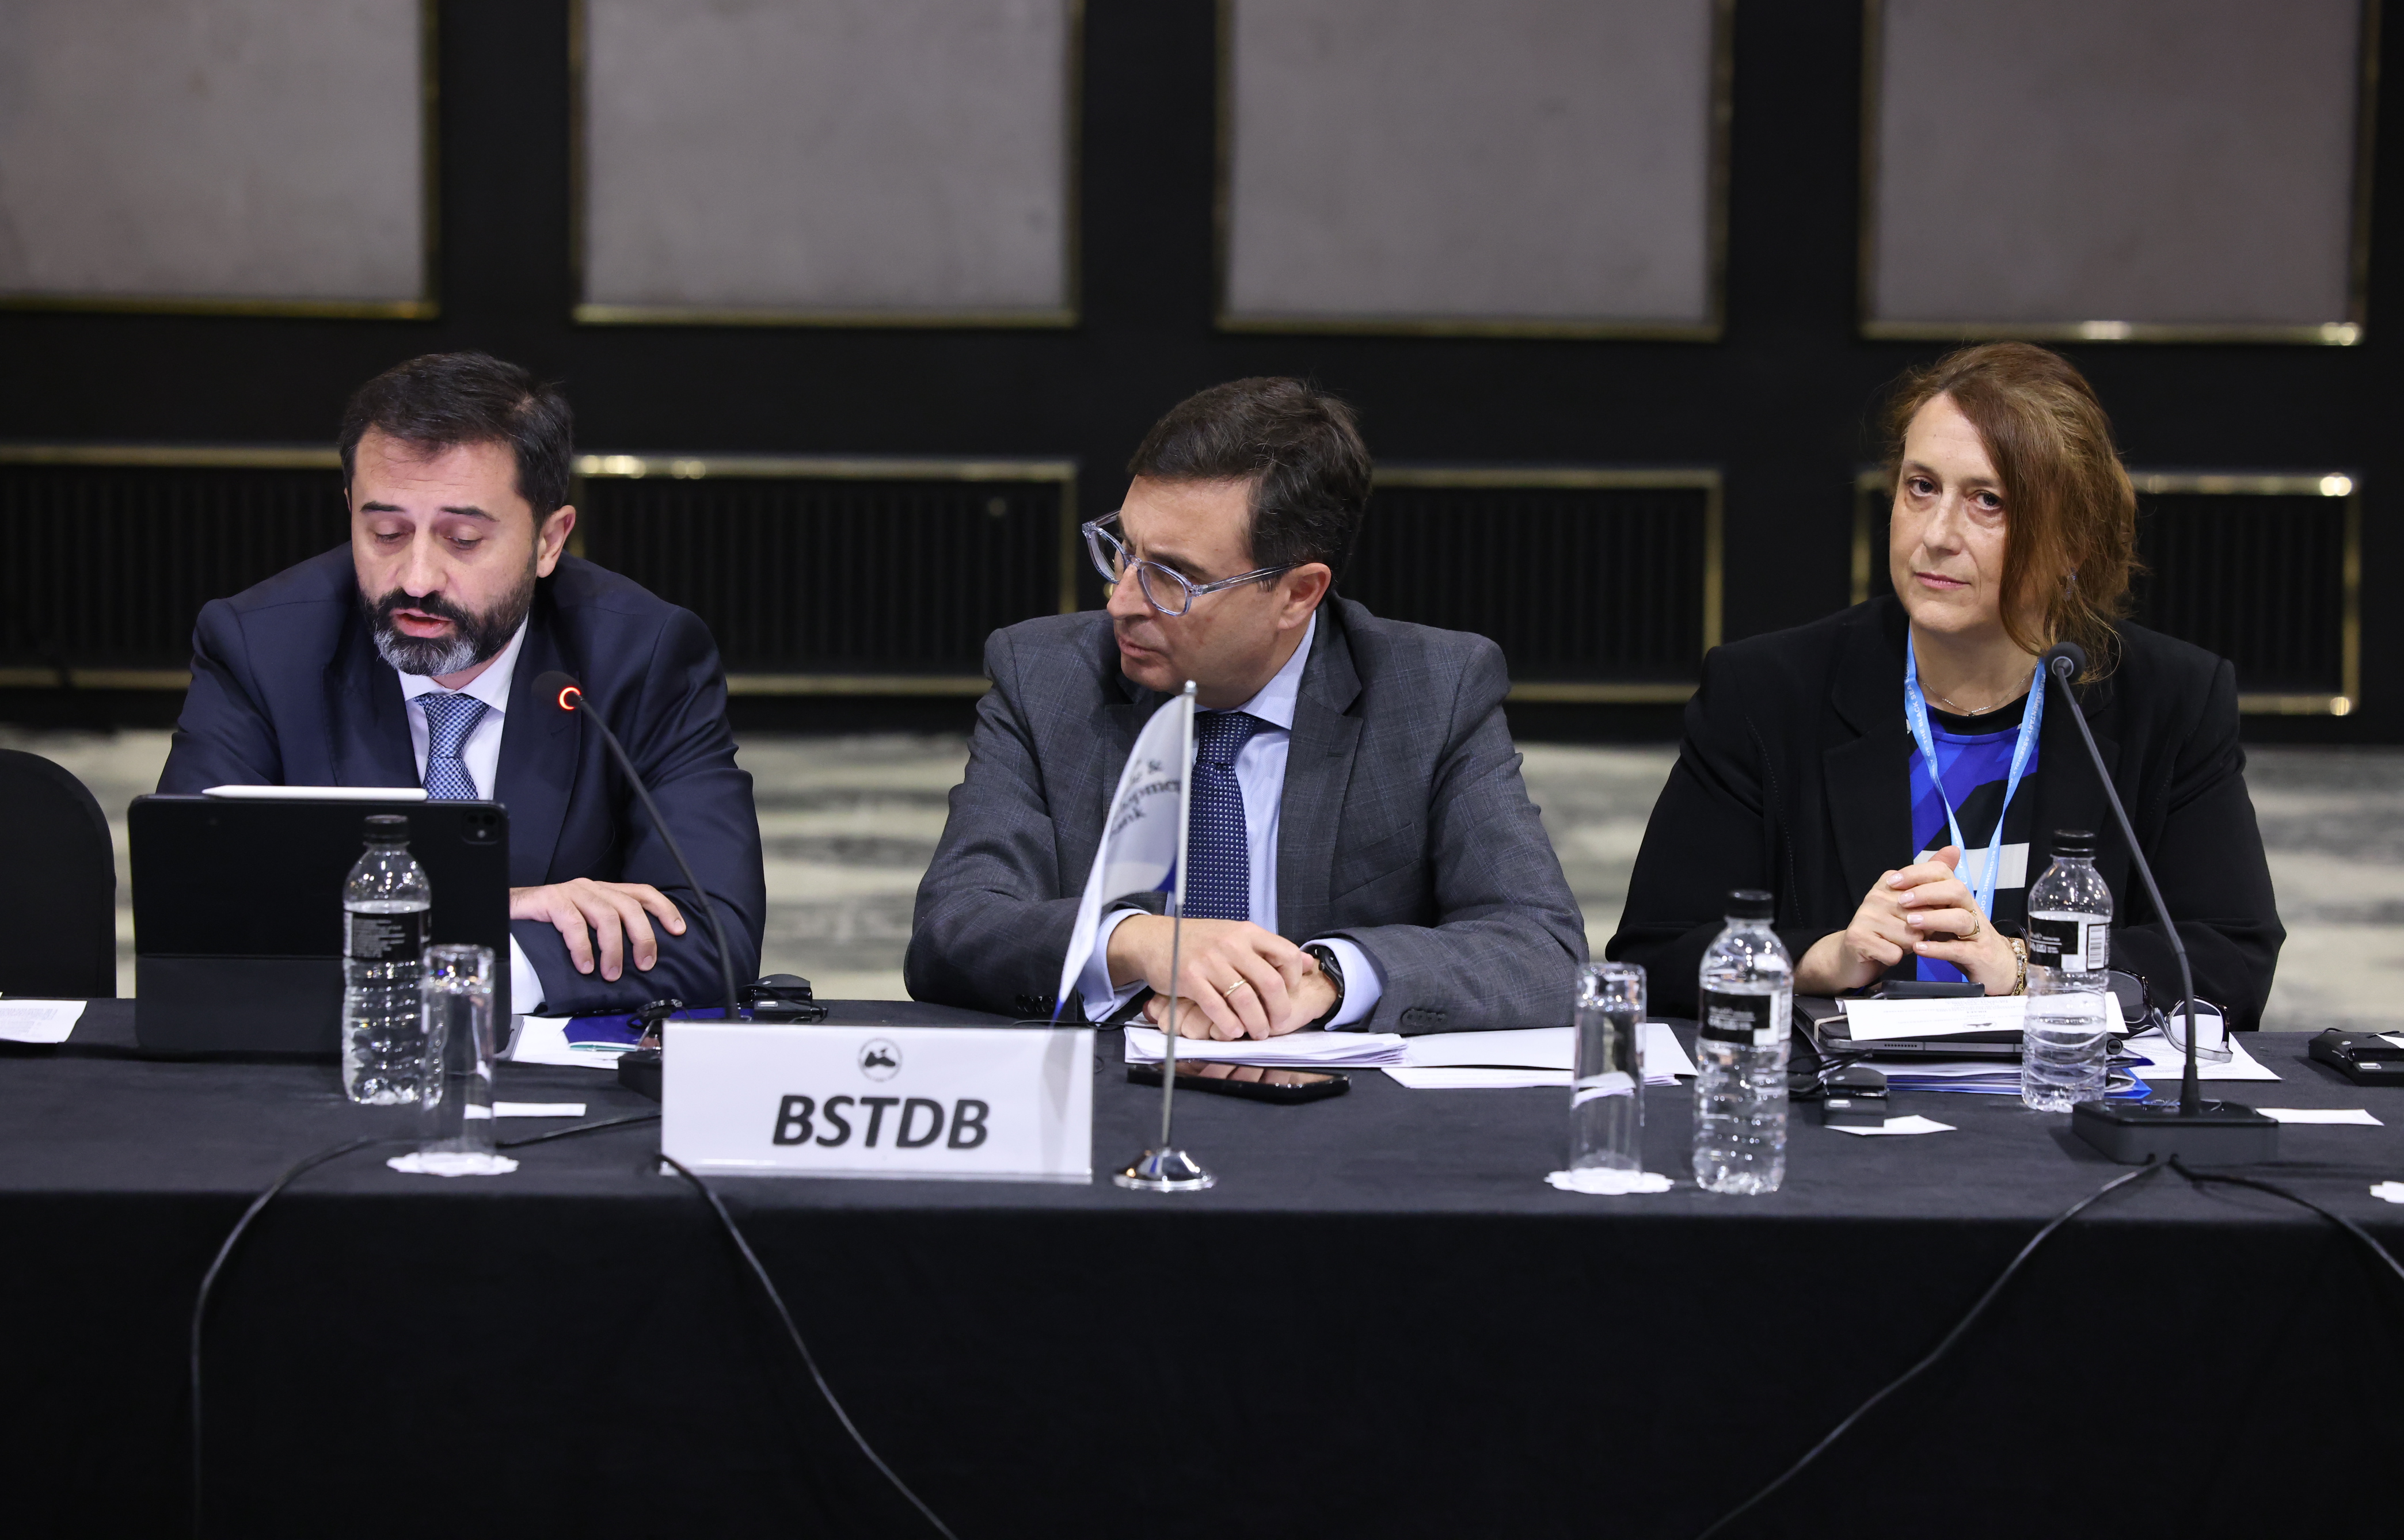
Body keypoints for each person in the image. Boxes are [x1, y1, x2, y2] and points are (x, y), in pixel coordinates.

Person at [1610, 342, 2283, 1027]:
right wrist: (1818, 960)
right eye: (1921, 487)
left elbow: (2230, 959)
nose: (1936, 534)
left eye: (1988, 501)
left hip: (2059, 1085)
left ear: (2073, 542)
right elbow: (1657, 953)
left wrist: (2028, 970)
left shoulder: (2170, 701)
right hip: (1850, 1092)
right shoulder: (1766, 693)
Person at [906, 376, 1587, 1038]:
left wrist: (1327, 978)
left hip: (1334, 1101)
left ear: (1298, 594)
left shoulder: (1432, 691)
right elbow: (952, 928)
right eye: (1123, 551)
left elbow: (1542, 951)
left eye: (1174, 577)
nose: (1122, 601)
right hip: (1108, 1091)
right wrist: (1136, 941)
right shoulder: (1047, 677)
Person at [158, 352, 766, 1015]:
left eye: (464, 539)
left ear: (549, 541)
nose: (417, 578)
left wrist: (472, 977)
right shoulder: (260, 648)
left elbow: (713, 934)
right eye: (386, 532)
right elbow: (193, 917)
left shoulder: (643, 657)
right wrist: (492, 912)